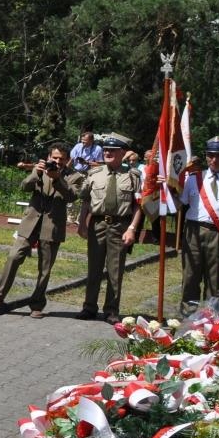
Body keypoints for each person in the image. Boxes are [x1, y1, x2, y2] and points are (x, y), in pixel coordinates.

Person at [0, 142, 80, 317]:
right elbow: (24, 186)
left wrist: (57, 178)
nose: (57, 161)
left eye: (62, 159)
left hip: (52, 227)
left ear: (68, 160)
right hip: (30, 223)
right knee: (13, 257)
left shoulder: (74, 176)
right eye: (55, 157)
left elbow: (71, 196)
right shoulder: (40, 169)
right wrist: (36, 173)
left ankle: (37, 304)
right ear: (48, 157)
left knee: (44, 269)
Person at [76, 133, 144, 323]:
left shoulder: (132, 176)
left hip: (120, 225)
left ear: (123, 152)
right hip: (97, 224)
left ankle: (111, 311)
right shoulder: (94, 174)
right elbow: (86, 201)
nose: (107, 152)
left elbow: (138, 205)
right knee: (94, 268)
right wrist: (82, 224)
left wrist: (132, 228)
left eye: (112, 150)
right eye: (106, 149)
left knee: (115, 270)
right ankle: (89, 307)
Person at [178, 137, 219, 310]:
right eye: (210, 155)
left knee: (216, 279)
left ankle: (212, 319)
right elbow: (178, 203)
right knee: (190, 275)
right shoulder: (194, 178)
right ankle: (189, 316)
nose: (214, 160)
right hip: (193, 231)